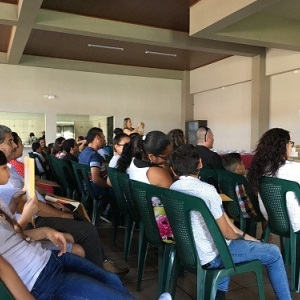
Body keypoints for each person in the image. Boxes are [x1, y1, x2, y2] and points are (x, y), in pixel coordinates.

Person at [0, 150, 135, 300]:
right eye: (3, 167)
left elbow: (12, 234)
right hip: (39, 279)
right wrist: (26, 216)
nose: (9, 169)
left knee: (111, 280)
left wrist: (44, 230)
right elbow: (3, 268)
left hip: (46, 258)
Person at [0, 125, 129, 275]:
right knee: (87, 228)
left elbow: (30, 194)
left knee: (79, 215)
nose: (15, 145)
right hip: (35, 219)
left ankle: (99, 260)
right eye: (10, 142)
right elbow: (29, 208)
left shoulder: (11, 169)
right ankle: (100, 273)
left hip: (35, 215)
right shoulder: (7, 177)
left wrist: (51, 201)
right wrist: (61, 214)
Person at [169, 144, 291, 300]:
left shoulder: (173, 189)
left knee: (229, 244)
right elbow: (228, 232)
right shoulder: (206, 190)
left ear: (173, 169)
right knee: (273, 253)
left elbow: (230, 228)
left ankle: (219, 296)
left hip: (190, 252)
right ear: (200, 163)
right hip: (212, 256)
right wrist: (251, 242)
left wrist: (252, 240)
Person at [117, 131, 174, 243]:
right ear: (151, 156)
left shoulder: (133, 163)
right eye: (166, 157)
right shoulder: (156, 172)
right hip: (163, 228)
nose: (168, 160)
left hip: (146, 218)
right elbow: (174, 199)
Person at [247, 128, 300, 232]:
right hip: (295, 222)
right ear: (284, 146)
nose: (291, 146)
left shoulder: (261, 169)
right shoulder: (295, 169)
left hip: (271, 218)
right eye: (290, 143)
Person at [78, 127, 113, 223]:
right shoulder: (95, 156)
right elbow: (95, 178)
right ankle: (107, 214)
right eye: (103, 137)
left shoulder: (83, 153)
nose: (104, 140)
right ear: (97, 138)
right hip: (95, 189)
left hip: (85, 186)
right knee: (118, 190)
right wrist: (108, 185)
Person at [222, 153, 257, 219]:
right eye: (243, 163)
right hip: (247, 214)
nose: (244, 166)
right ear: (238, 167)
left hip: (231, 213)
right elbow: (250, 200)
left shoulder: (224, 177)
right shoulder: (240, 180)